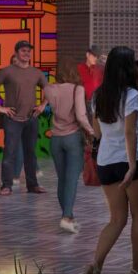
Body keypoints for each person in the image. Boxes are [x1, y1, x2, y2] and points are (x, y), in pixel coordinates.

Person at [82, 46, 138, 274]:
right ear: (127, 67)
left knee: (116, 219)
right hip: (130, 163)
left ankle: (96, 266)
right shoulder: (131, 94)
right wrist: (133, 165)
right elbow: (130, 132)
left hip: (106, 163)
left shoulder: (98, 95)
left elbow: (97, 133)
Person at [0, 41, 45, 196]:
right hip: (13, 119)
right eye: (23, 51)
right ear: (16, 52)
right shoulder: (7, 71)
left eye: (28, 51)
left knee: (30, 153)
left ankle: (32, 185)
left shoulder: (36, 72)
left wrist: (43, 105)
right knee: (10, 153)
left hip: (31, 119)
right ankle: (6, 185)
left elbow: (48, 89)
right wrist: (0, 108)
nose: (26, 54)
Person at [43, 65, 90, 234]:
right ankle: (66, 216)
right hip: (72, 137)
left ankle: (68, 216)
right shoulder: (78, 89)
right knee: (71, 180)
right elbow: (81, 116)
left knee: (62, 179)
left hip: (55, 138)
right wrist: (92, 132)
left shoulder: (48, 89)